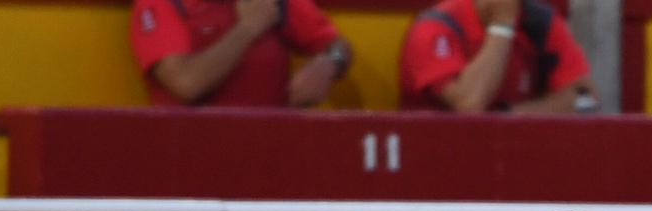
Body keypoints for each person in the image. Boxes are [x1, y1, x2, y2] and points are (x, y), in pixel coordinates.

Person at [129, 0, 353, 107]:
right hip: (192, 158)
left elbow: (338, 45)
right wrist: (247, 29)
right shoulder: (160, 4)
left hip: (273, 152)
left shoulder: (276, 2)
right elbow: (187, 83)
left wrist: (330, 64)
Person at [399, 0, 591, 113]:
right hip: (439, 157)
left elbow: (586, 97)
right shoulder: (436, 27)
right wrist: (501, 26)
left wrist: (512, 117)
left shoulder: (539, 21)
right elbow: (470, 104)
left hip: (515, 156)